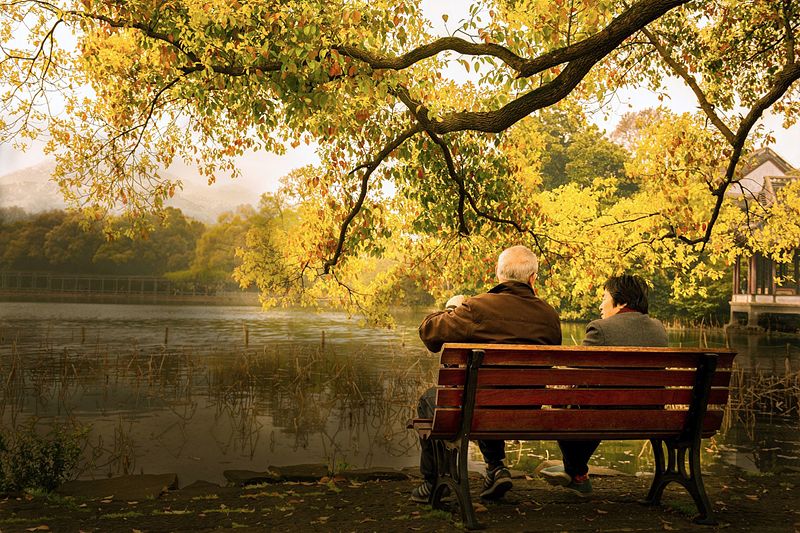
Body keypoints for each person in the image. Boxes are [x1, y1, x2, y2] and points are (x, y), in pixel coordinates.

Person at [413, 245, 561, 503]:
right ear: (532, 278)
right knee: (483, 395)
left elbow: (429, 333)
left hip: (479, 407)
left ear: (498, 274)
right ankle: (494, 468)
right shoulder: (550, 316)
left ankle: (434, 481)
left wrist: (453, 308)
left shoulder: (476, 308)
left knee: (433, 399)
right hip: (528, 409)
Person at [539, 274, 668, 496]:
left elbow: (574, 378)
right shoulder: (659, 329)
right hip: (650, 417)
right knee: (592, 404)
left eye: (604, 297)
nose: (600, 305)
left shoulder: (600, 329)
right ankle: (576, 473)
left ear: (622, 302)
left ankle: (577, 474)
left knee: (566, 406)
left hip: (605, 416)